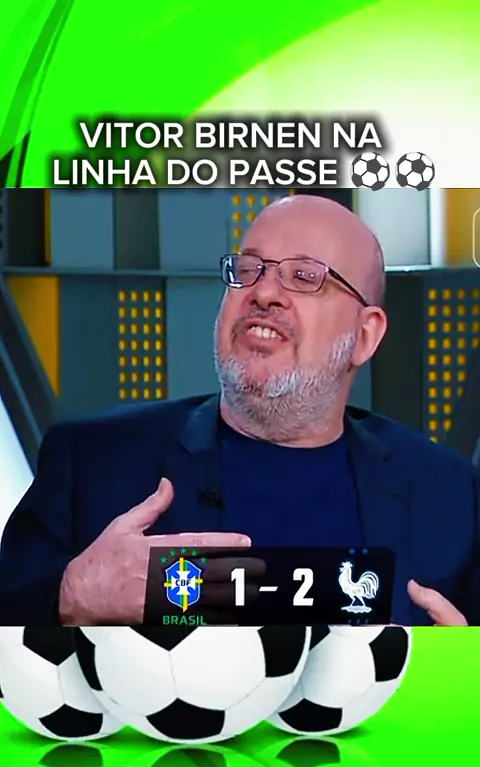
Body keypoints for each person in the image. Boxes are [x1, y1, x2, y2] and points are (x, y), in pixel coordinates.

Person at [0, 195, 478, 626]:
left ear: (365, 335)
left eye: (304, 277)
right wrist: (71, 596)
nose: (263, 293)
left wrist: (461, 672)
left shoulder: (452, 497)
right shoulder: (91, 464)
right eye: (249, 269)